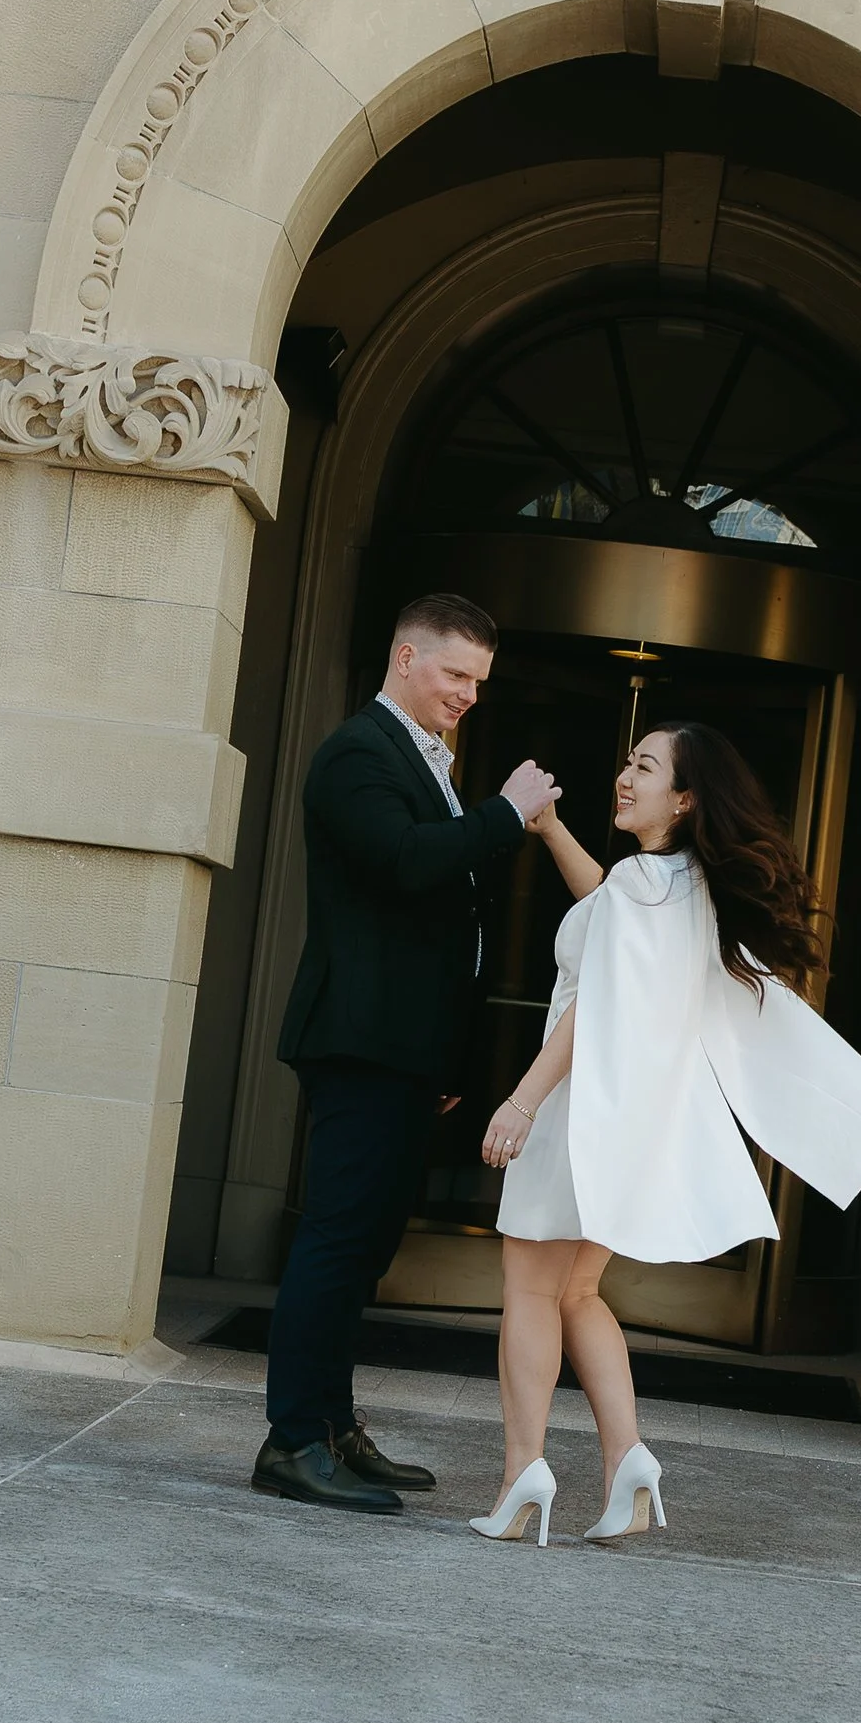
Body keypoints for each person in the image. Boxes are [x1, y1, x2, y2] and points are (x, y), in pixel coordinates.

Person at [467, 723, 861, 1549]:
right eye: (626, 758)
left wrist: (522, 1101)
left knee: (531, 1290)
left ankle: (520, 1473)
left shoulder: (644, 882)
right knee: (576, 1293)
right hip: (627, 1116)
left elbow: (594, 999)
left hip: (575, 1104)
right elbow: (604, 904)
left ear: (685, 797)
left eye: (644, 765)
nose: (623, 775)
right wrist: (552, 829)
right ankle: (627, 1459)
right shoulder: (675, 884)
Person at [255, 591, 559, 1515]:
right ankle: (294, 1439)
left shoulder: (422, 757)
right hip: (359, 1038)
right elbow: (407, 862)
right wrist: (507, 813)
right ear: (404, 658)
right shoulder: (358, 752)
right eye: (455, 673)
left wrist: (444, 1061)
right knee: (338, 1238)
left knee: (365, 1245)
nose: (468, 692)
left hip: (401, 1048)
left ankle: (333, 1425)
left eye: (478, 679)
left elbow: (433, 915)